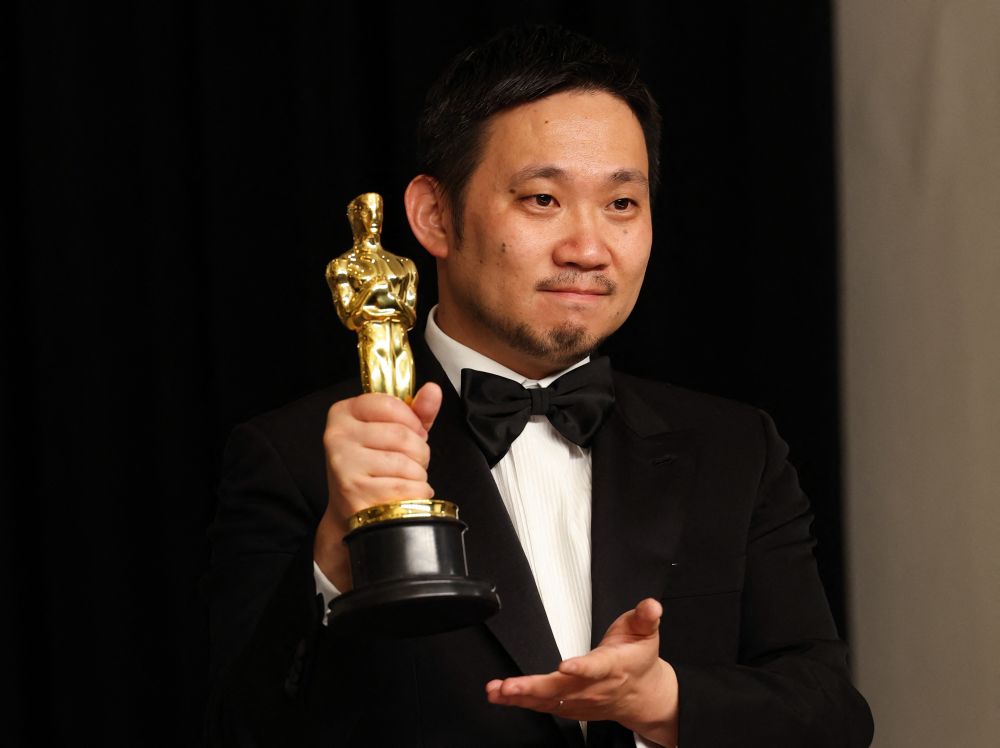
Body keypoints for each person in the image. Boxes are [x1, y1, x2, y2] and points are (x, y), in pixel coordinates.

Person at [204, 24, 874, 748]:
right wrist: (338, 554)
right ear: (434, 216)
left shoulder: (735, 446)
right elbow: (239, 730)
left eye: (622, 204)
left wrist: (664, 701)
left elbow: (831, 715)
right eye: (542, 200)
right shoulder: (296, 456)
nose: (588, 249)